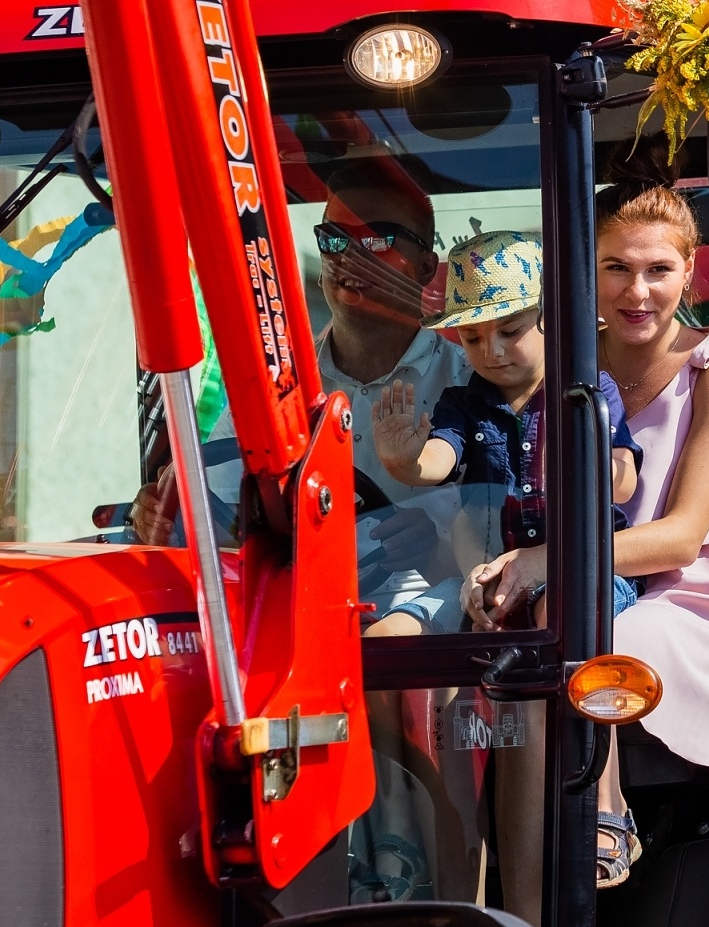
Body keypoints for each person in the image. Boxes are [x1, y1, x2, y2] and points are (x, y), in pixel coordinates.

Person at [464, 145, 709, 888]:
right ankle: (501, 908)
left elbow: (683, 535)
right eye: (617, 268)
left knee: (585, 639)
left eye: (658, 270)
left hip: (688, 608)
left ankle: (596, 831)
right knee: (484, 667)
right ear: (588, 272)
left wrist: (548, 561)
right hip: (580, 590)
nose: (638, 291)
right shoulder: (571, 362)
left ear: (688, 273)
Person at [132, 157, 468, 602]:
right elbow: (220, 516)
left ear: (427, 268)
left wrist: (435, 547)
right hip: (289, 617)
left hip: (435, 640)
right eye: (333, 239)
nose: (348, 257)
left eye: (375, 239)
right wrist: (165, 517)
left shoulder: (470, 385)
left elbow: (500, 540)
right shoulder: (271, 384)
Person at [366, 229, 641, 636]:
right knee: (385, 639)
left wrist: (579, 461)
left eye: (510, 332)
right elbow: (438, 460)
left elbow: (623, 484)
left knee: (556, 621)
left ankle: (532, 704)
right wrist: (403, 461)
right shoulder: (462, 403)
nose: (491, 352)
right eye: (472, 337)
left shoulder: (587, 395)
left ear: (553, 319)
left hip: (577, 574)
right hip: (485, 580)